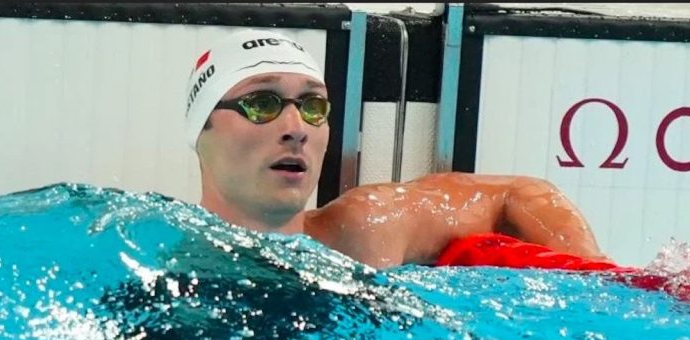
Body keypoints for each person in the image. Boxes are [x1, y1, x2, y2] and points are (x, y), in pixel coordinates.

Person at [184, 29, 609, 269]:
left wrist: (592, 282)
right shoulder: (161, 259)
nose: (296, 129)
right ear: (201, 131)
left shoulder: (366, 231)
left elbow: (518, 193)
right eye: (262, 103)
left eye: (313, 106)